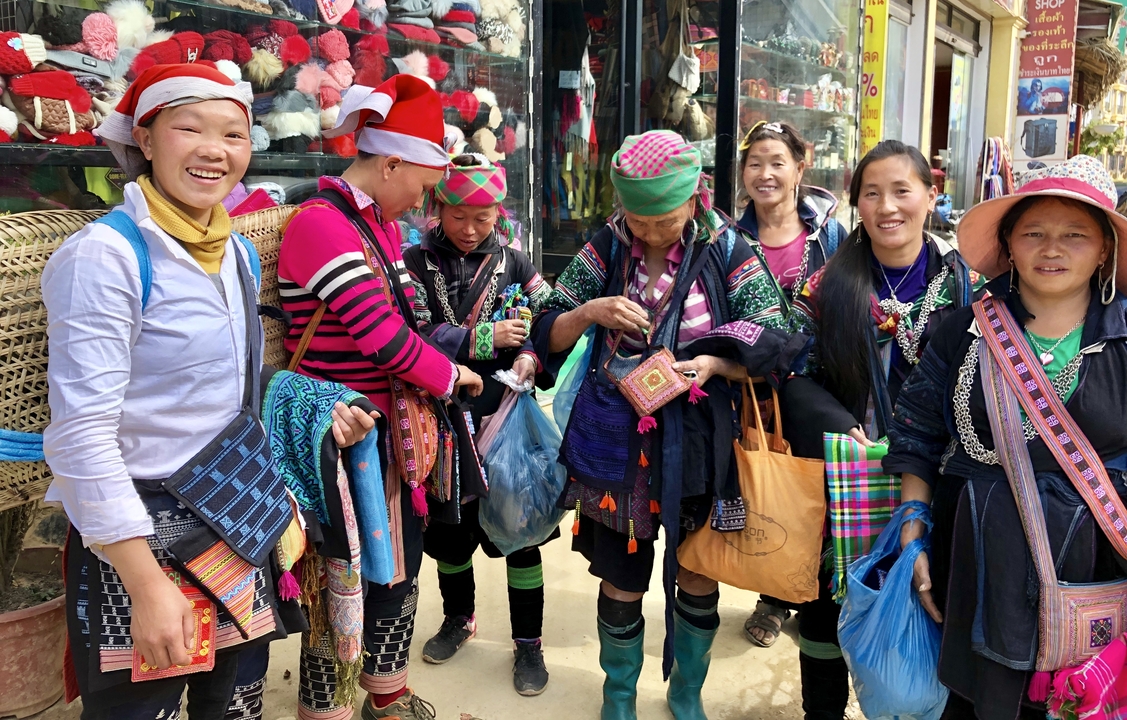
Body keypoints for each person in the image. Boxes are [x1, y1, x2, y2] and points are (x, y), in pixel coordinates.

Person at [41, 63, 377, 719]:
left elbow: (231, 389)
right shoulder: (105, 258)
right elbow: (80, 435)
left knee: (234, 705)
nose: (214, 151)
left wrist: (316, 412)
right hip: (142, 540)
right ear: (145, 136)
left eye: (232, 134)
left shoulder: (234, 253)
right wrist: (145, 587)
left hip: (235, 527)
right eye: (188, 128)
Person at [539, 129, 808, 720]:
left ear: (694, 198)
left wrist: (714, 361)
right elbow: (548, 323)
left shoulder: (729, 249)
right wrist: (590, 311)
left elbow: (778, 337)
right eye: (640, 220)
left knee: (697, 570)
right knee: (621, 577)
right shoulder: (607, 246)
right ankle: (619, 696)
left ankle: (686, 693)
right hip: (615, 442)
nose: (653, 232)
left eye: (665, 219)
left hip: (700, 441)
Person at [885, 155, 1127, 719]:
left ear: (1104, 252)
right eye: (1034, 233)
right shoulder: (962, 329)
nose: (1052, 249)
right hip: (975, 556)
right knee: (976, 702)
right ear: (1010, 246)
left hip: (1098, 564)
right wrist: (913, 536)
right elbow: (916, 432)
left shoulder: (1122, 338)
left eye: (1075, 235)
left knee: (1082, 698)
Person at [278, 75, 484, 720]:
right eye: (423, 187)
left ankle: (385, 692)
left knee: (397, 569)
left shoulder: (378, 229)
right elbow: (386, 340)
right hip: (342, 441)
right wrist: (454, 379)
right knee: (340, 579)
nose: (425, 205)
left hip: (386, 437)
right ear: (390, 161)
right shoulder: (321, 226)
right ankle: (327, 707)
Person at [782, 140, 981, 720]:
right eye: (872, 193)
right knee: (827, 610)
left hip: (940, 481)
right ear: (856, 204)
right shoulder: (825, 288)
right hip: (845, 477)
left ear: (930, 197)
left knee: (930, 603)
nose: (887, 206)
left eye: (902, 191)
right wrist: (847, 432)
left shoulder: (967, 290)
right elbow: (795, 375)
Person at [401, 153, 555, 696]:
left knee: (521, 535)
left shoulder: (516, 262)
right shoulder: (412, 263)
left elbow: (550, 316)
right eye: (458, 215)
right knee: (448, 535)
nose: (469, 229)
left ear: (500, 215)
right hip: (441, 418)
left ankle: (529, 644)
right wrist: (484, 341)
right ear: (437, 207)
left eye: (483, 218)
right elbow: (410, 333)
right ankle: (458, 618)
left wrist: (533, 356)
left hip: (503, 419)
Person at [735, 120, 847, 647]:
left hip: (817, 390)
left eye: (777, 162)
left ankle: (813, 596)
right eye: (755, 163)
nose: (766, 174)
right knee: (764, 491)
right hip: (746, 388)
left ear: (800, 169)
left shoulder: (832, 237)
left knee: (815, 493)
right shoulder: (728, 239)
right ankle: (774, 592)